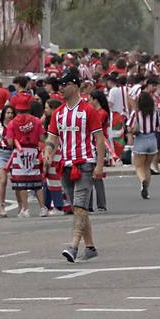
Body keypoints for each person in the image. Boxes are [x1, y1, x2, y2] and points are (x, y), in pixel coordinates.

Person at [45, 69, 107, 262]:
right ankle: (90, 247)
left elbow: (99, 139)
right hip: (65, 165)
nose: (61, 88)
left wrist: (99, 165)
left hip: (85, 163)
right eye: (60, 85)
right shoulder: (58, 113)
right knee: (78, 208)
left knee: (80, 206)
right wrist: (47, 153)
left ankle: (73, 246)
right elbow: (52, 138)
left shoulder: (88, 110)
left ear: (76, 86)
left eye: (65, 84)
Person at [129, 90, 160, 199]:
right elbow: (157, 126)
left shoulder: (136, 113)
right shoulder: (155, 112)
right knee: (147, 166)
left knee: (139, 166)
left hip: (140, 139)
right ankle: (146, 190)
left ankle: (143, 182)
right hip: (152, 139)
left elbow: (129, 127)